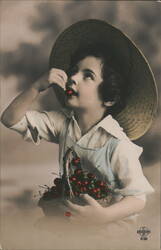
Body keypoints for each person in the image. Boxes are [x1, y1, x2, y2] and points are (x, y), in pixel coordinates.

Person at [1, 19, 158, 234]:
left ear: (109, 98)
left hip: (111, 223)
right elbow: (10, 119)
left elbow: (138, 198)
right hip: (77, 213)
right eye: (74, 71)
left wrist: (103, 216)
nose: (73, 78)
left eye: (88, 76)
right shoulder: (62, 122)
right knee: (42, 229)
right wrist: (36, 88)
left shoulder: (117, 144)